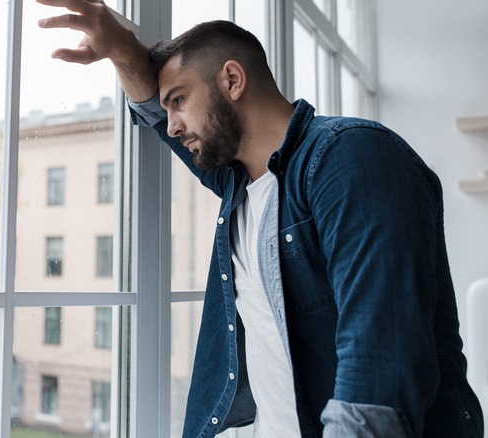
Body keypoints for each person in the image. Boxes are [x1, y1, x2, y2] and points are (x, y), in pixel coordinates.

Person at [37, 1, 485, 437]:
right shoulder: (240, 185)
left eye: (180, 100)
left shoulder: (350, 157)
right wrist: (122, 49)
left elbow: (379, 368)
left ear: (232, 79)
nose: (172, 126)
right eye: (169, 106)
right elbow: (155, 115)